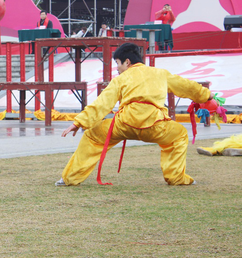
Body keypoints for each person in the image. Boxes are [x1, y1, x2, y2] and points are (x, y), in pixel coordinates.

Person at [58, 43, 213, 186]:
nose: (117, 68)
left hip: (124, 124)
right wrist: (207, 96)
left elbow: (102, 104)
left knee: (92, 136)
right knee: (179, 135)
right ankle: (176, 178)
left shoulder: (120, 79)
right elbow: (187, 86)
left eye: (117, 63)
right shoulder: (160, 73)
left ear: (127, 62)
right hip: (156, 125)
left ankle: (69, 179)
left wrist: (78, 122)